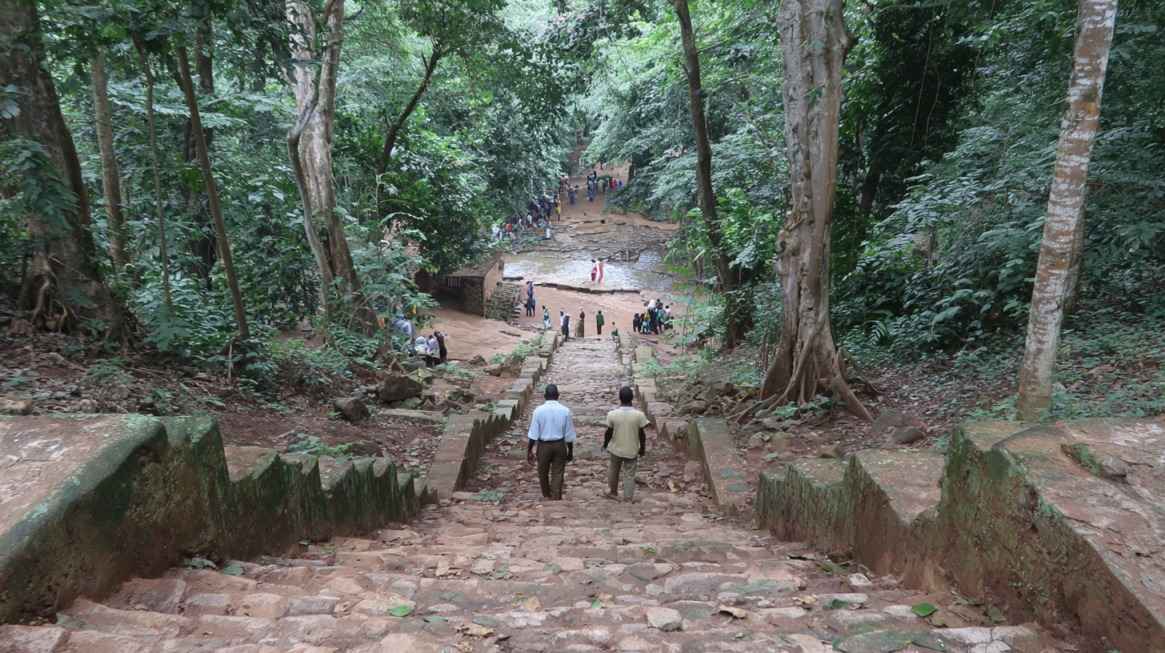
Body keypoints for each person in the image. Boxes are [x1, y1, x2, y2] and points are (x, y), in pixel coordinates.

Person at [527, 384, 577, 500]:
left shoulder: (538, 411)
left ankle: (546, 495)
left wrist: (529, 450)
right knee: (558, 472)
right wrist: (570, 451)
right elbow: (569, 434)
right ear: (558, 396)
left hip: (543, 446)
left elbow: (533, 434)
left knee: (542, 472)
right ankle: (556, 496)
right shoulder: (565, 411)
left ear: (544, 396)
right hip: (560, 445)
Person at [602, 386, 649, 501]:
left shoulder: (612, 414)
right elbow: (642, 434)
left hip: (616, 448)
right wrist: (642, 448)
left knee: (613, 470)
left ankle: (613, 492)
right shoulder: (639, 415)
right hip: (632, 449)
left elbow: (608, 432)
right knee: (629, 474)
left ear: (619, 398)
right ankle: (628, 497)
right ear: (632, 398)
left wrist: (605, 444)